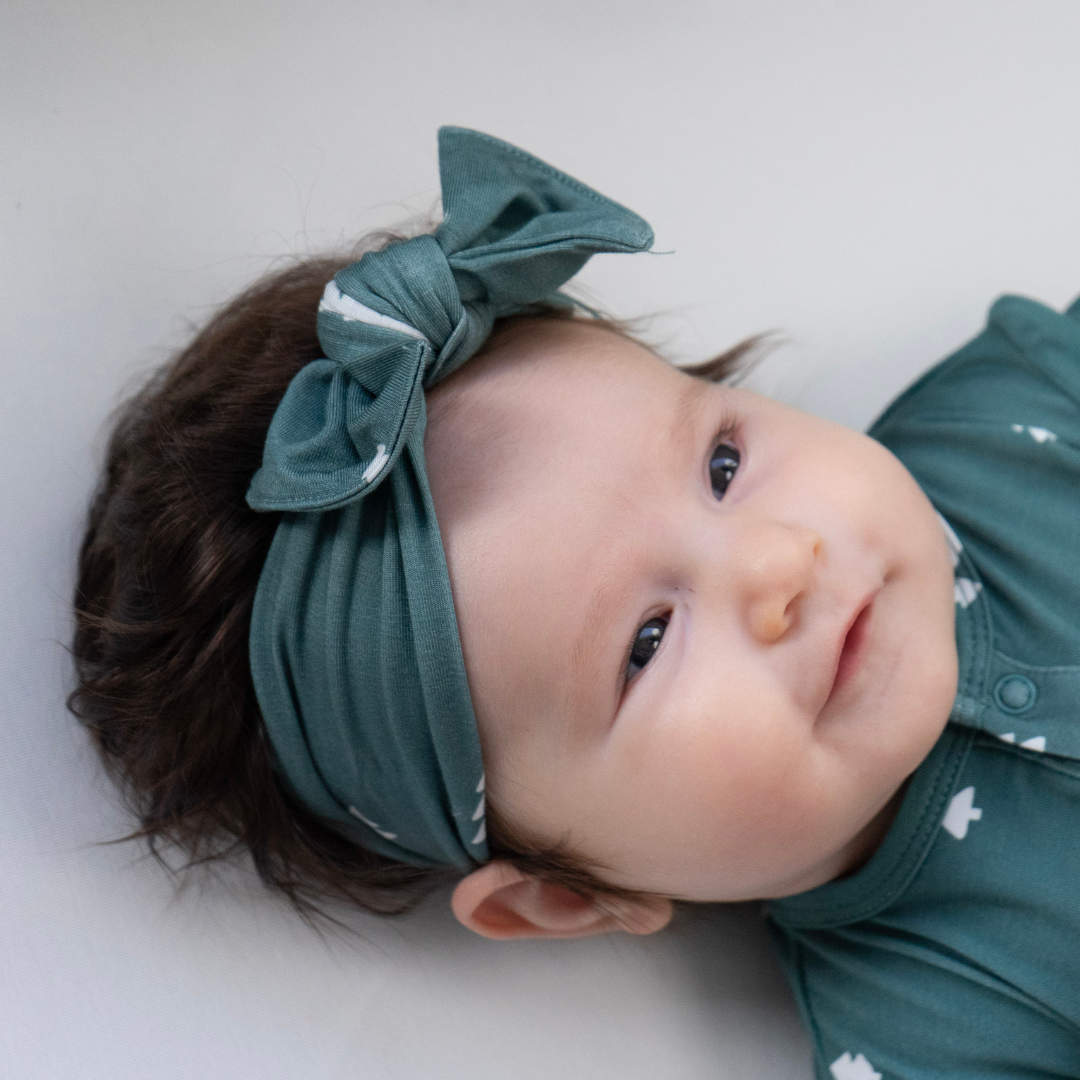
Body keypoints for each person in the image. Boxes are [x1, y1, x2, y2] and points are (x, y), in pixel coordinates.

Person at [70, 128, 1080, 1078]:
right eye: (647, 642)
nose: (778, 565)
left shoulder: (1019, 414)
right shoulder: (939, 1028)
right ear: (562, 900)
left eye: (724, 466)